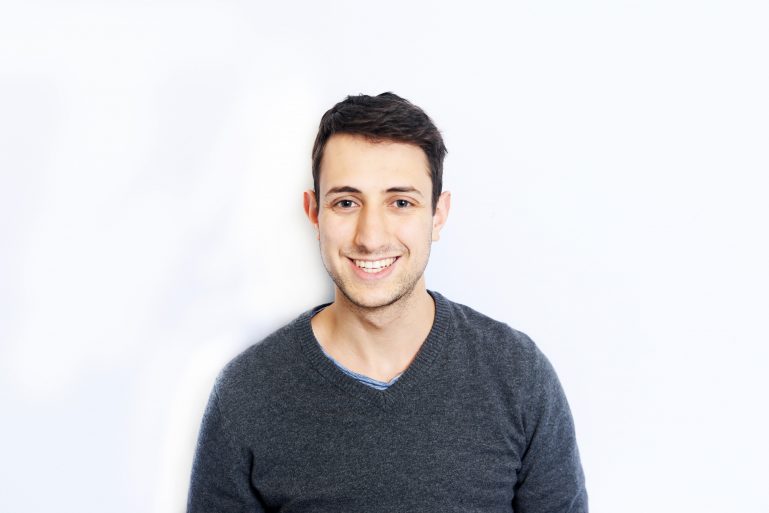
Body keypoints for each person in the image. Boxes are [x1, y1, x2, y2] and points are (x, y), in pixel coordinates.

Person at [187, 92, 588, 512]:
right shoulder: (247, 393)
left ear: (438, 214)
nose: (371, 236)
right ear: (314, 213)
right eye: (346, 203)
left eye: (400, 203)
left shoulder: (518, 376)